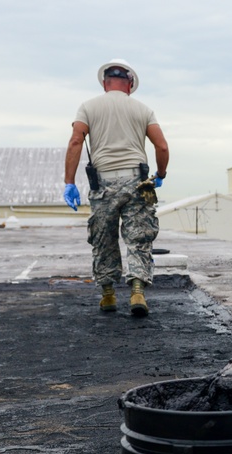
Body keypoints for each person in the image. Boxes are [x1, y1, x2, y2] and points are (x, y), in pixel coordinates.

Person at [64, 59, 170, 316]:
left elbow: (76, 141)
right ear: (130, 84)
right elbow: (162, 146)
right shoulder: (143, 110)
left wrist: (69, 182)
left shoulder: (87, 107)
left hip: (103, 184)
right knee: (138, 237)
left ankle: (108, 295)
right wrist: (160, 174)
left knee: (104, 239)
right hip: (137, 183)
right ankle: (137, 291)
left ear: (104, 83)